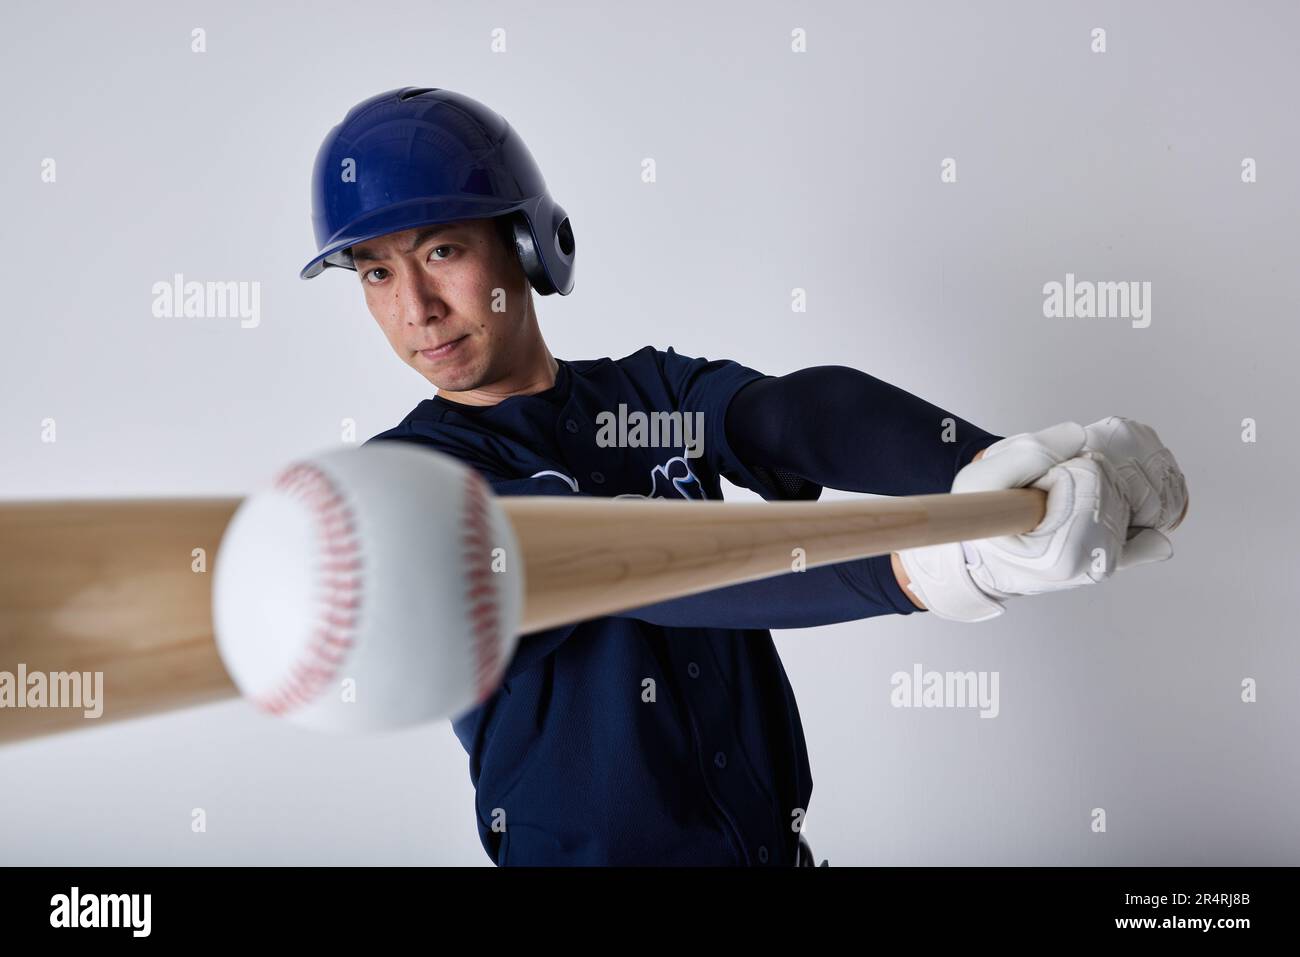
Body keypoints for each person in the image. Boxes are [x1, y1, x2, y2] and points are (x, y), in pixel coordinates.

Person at [301, 87, 1188, 866]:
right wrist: (929, 569)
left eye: (442, 252)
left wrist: (1005, 468)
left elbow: (792, 418)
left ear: (529, 247)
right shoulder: (413, 481)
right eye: (377, 271)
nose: (413, 308)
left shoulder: (646, 393)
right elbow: (629, 562)